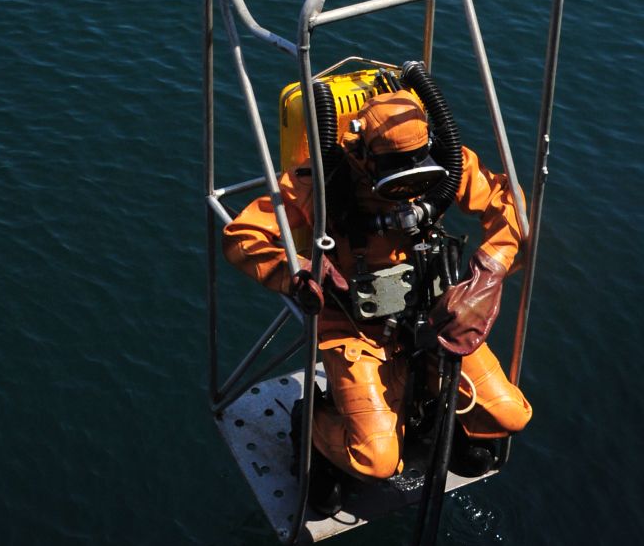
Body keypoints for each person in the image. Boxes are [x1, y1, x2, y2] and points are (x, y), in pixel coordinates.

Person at [222, 71, 531, 514]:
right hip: (355, 328)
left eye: (416, 170)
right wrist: (296, 273)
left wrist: (488, 275)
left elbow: (511, 209)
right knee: (376, 460)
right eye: (396, 173)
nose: (409, 186)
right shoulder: (319, 183)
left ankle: (444, 416)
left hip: (433, 317)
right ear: (363, 155)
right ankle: (312, 424)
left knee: (510, 415)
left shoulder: (445, 166)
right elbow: (243, 237)